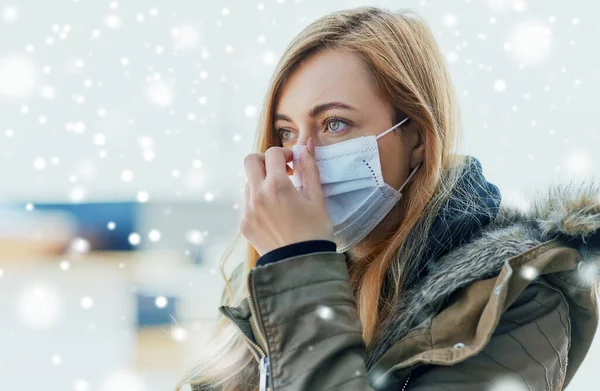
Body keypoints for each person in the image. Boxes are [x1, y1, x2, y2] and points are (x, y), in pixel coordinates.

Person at [177, 6, 600, 391]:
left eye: (335, 124)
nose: (302, 156)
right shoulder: (269, 285)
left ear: (415, 137)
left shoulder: (517, 299)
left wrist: (299, 264)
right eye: (287, 132)